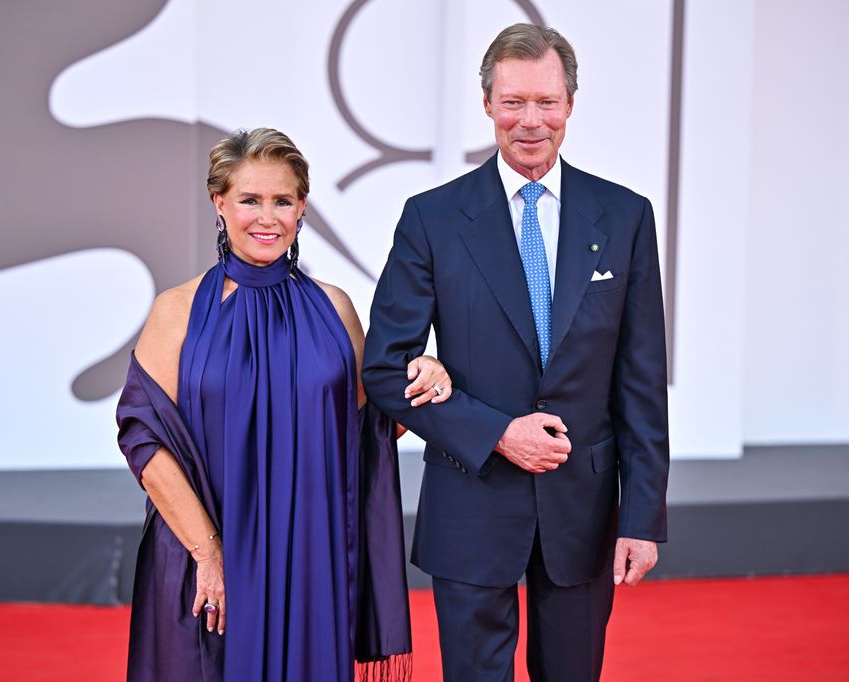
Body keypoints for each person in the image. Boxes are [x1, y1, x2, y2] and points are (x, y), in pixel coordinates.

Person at [362, 23, 670, 681]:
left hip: (582, 513)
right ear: (487, 105)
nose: (530, 121)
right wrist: (498, 432)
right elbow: (385, 368)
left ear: (570, 104)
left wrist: (641, 516)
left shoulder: (625, 217)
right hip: (472, 502)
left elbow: (640, 381)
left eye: (546, 102)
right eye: (513, 102)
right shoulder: (432, 218)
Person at [116, 128, 450, 681]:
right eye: (249, 199)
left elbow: (368, 428)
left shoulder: (335, 309)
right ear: (219, 202)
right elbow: (144, 443)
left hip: (308, 560)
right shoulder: (175, 312)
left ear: (302, 208)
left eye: (283, 201)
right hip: (207, 559)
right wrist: (209, 554)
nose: (266, 217)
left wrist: (425, 375)